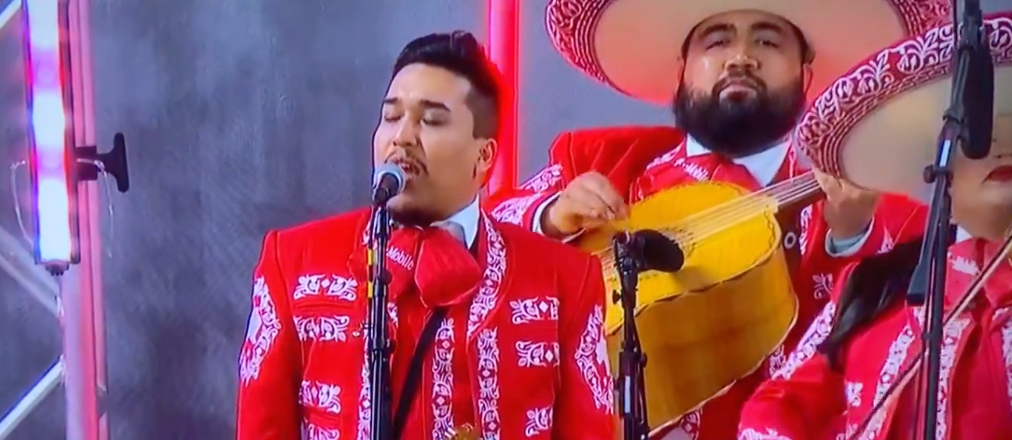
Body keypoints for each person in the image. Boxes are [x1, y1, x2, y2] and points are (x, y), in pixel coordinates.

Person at [488, 1, 943, 438]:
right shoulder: (605, 160)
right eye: (717, 41)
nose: (740, 58)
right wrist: (550, 218)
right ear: (683, 67)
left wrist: (850, 241)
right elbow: (482, 238)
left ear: (806, 73)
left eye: (767, 42)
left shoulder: (880, 218)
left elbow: (883, 374)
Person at [235, 31, 615, 440]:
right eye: (391, 116)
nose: (401, 137)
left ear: (484, 156)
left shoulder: (566, 282)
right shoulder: (293, 262)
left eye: (431, 120)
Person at [738, 12, 1012, 439]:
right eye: (978, 137)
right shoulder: (876, 283)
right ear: (933, 165)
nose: (1004, 149)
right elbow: (778, 404)